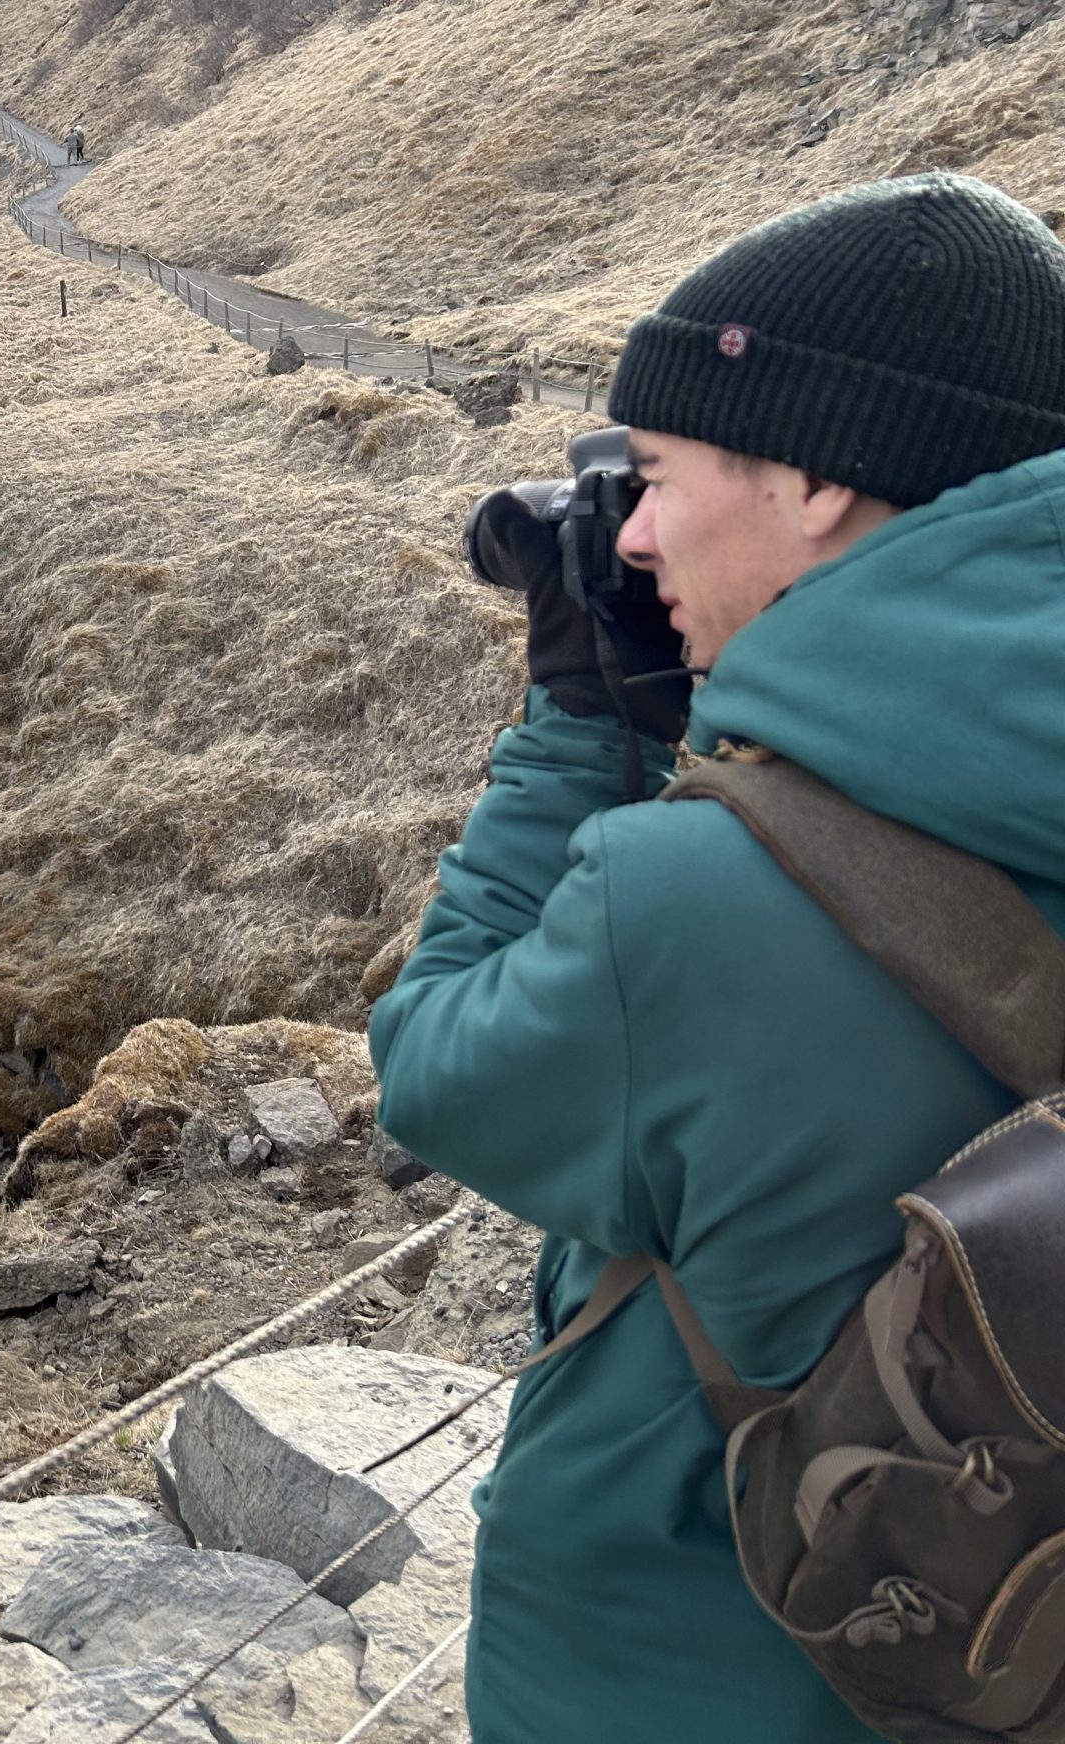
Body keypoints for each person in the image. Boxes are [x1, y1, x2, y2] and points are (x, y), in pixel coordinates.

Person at [370, 172, 1065, 1742]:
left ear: (818, 481)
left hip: (719, 1676)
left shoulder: (690, 901)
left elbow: (436, 1067)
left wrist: (575, 733)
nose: (627, 528)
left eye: (659, 471)